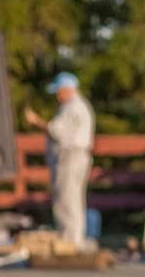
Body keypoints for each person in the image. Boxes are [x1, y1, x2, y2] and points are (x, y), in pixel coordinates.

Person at [25, 72, 94, 248]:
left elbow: (56, 131)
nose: (57, 95)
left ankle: (70, 241)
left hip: (70, 157)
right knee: (73, 200)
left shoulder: (72, 107)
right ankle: (73, 239)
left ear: (67, 90)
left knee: (66, 199)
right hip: (77, 157)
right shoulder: (78, 106)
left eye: (59, 91)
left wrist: (35, 120)